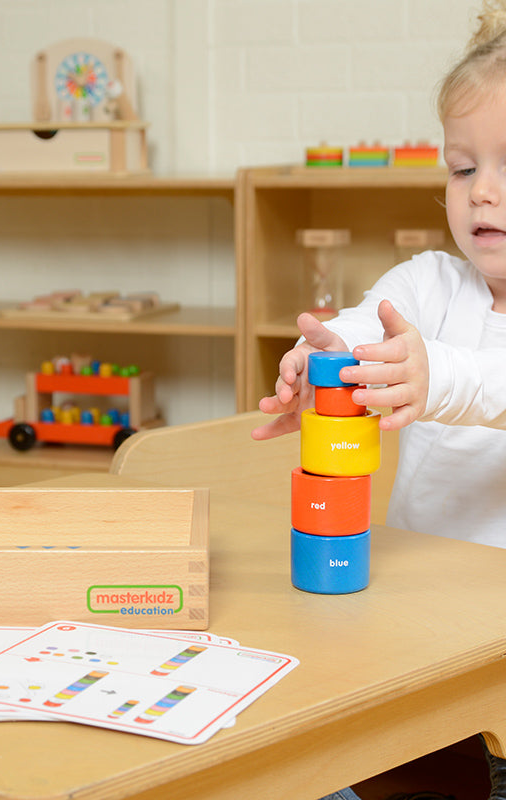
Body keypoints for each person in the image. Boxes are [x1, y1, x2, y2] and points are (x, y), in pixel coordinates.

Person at [252, 1, 506, 798]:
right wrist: (322, 354)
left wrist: (436, 376)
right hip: (418, 618)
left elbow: (489, 384)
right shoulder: (430, 283)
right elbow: (368, 324)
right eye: (464, 169)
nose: (483, 194)